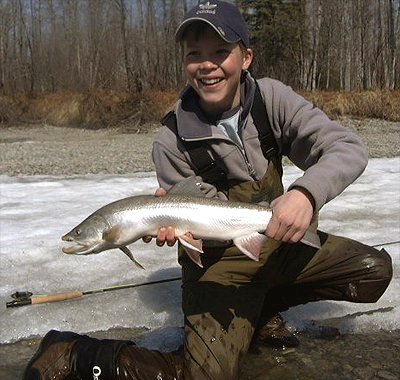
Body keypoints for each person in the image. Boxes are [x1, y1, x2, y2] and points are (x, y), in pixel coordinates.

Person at [23, 1, 392, 379]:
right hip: (219, 267)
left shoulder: (272, 99)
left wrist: (305, 194)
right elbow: (201, 229)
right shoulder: (172, 140)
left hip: (275, 242)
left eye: (221, 52)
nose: (207, 64)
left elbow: (348, 148)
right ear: (185, 63)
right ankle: (74, 352)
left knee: (373, 270)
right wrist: (175, 229)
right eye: (195, 54)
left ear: (245, 58)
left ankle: (259, 309)